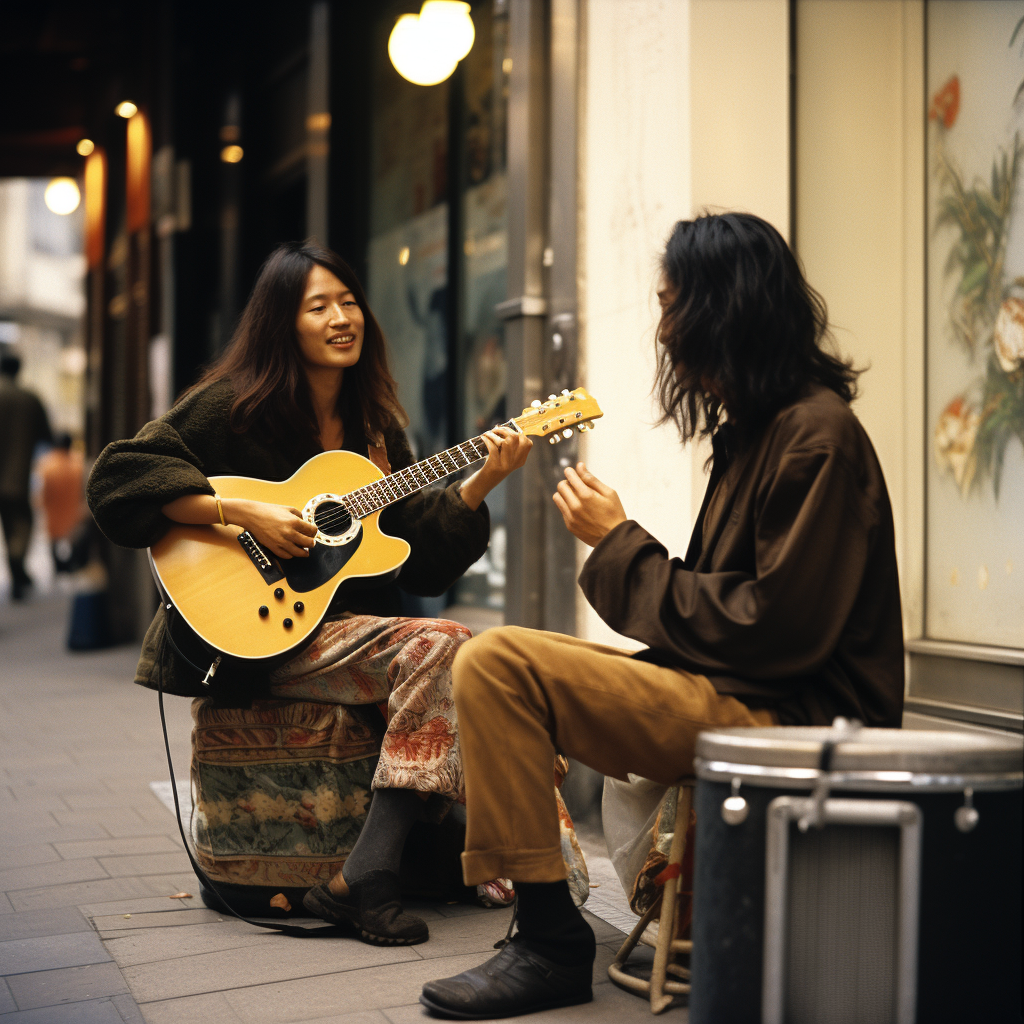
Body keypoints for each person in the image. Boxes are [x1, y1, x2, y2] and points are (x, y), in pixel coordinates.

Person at [420, 212, 905, 1018]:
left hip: (794, 717)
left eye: (672, 304)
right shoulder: (759, 433)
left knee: (498, 664)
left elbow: (772, 629)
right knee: (494, 660)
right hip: (741, 691)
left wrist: (619, 544)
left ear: (726, 309)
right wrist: (622, 550)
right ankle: (544, 929)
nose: (665, 330)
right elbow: (725, 610)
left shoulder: (817, 436)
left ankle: (548, 943)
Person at [87, 241, 531, 946]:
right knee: (445, 643)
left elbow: (416, 556)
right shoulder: (231, 405)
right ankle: (370, 879)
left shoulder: (375, 427)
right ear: (280, 323)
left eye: (349, 301)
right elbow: (119, 477)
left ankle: (366, 872)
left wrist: (479, 483)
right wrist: (241, 513)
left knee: (461, 653)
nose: (340, 317)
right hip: (245, 635)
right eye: (317, 305)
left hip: (331, 633)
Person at [0, 351, 53, 601]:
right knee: (20, 524)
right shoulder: (29, 399)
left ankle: (15, 564)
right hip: (16, 477)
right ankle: (16, 561)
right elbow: (47, 436)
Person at [37, 433, 89, 574]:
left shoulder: (47, 463)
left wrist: (41, 504)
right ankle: (70, 565)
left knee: (53, 541)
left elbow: (42, 490)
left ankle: (57, 566)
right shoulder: (77, 464)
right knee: (72, 539)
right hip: (72, 512)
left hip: (52, 511)